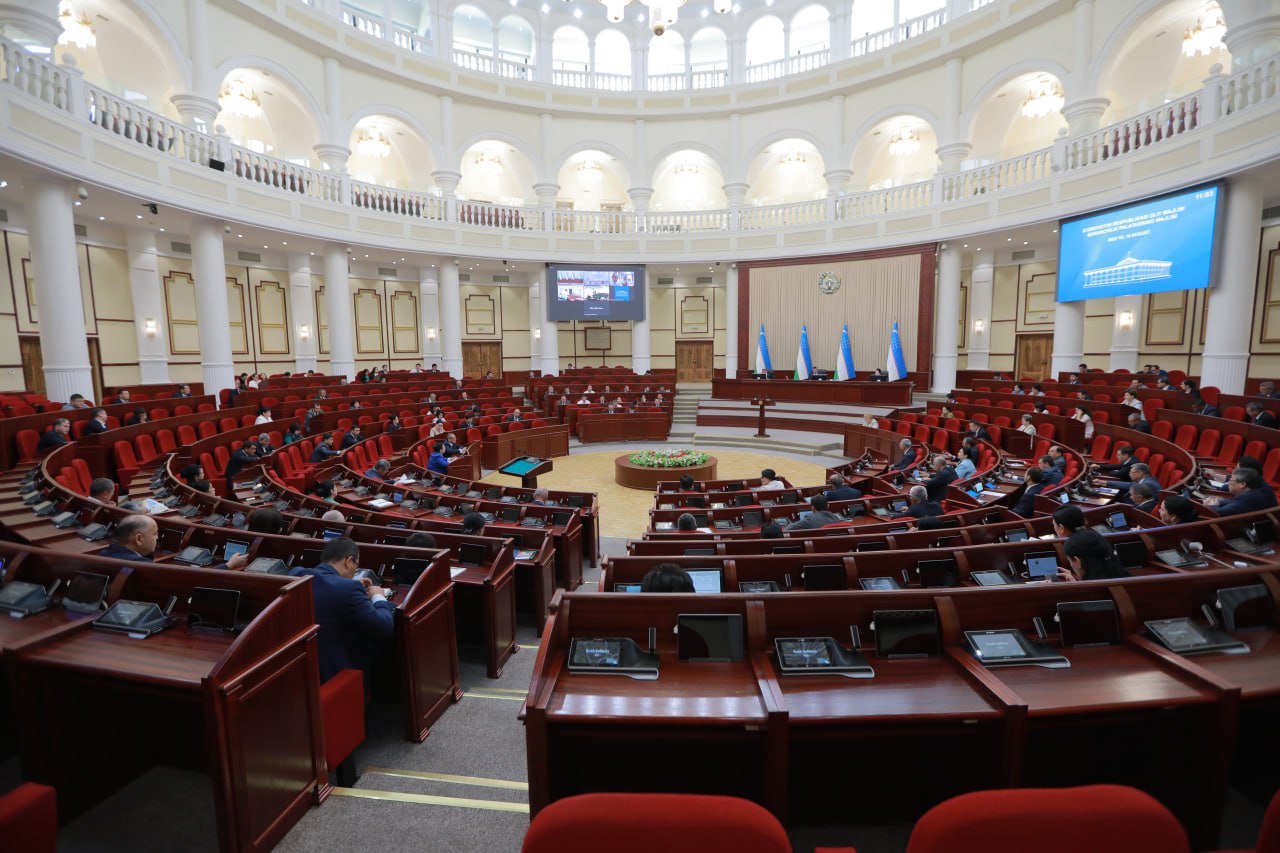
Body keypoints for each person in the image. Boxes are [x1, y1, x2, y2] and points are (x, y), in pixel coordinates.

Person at [288, 537, 394, 685]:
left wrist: (347, 584)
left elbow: (326, 586)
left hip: (297, 668)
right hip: (335, 674)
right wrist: (378, 596)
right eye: (356, 566)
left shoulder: (295, 574)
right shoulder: (349, 589)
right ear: (348, 561)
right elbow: (384, 627)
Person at [1050, 506, 1129, 582]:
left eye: (1054, 525)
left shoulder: (1073, 545)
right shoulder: (1096, 536)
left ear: (1077, 561)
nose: (1054, 528)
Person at [1205, 467, 1279, 516]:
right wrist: (1219, 502)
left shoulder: (1249, 498)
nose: (1228, 483)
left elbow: (1219, 513)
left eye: (1231, 480)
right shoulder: (1259, 484)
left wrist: (1211, 506)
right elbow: (1235, 502)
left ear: (1242, 484)